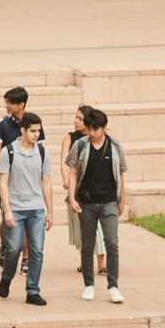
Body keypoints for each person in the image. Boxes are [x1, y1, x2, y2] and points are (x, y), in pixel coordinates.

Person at [66, 108, 127, 304]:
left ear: (104, 127)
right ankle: (89, 284)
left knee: (112, 243)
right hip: (87, 203)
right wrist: (72, 198)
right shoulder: (80, 145)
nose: (91, 133)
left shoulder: (115, 146)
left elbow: (122, 173)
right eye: (89, 129)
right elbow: (73, 172)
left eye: (95, 129)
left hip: (109, 201)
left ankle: (113, 286)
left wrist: (121, 200)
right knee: (87, 244)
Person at [0, 111, 53, 306]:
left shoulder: (43, 152)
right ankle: (6, 277)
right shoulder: (8, 152)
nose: (37, 134)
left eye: (39, 130)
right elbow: (2, 183)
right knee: (14, 249)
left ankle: (32, 291)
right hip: (16, 209)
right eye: (33, 131)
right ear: (23, 130)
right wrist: (8, 210)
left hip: (36, 209)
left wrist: (50, 211)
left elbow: (46, 182)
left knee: (37, 250)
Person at [0, 86, 46, 273]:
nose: (6, 106)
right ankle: (4, 244)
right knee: (8, 217)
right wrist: (4, 174)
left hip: (29, 182)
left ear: (21, 104)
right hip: (7, 182)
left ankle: (26, 258)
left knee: (29, 220)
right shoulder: (2, 124)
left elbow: (39, 152)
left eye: (10, 103)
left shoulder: (35, 125)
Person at [60, 105, 106, 275]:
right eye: (76, 117)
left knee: (99, 228)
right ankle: (85, 261)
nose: (76, 121)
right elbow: (64, 162)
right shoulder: (70, 138)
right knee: (81, 229)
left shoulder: (99, 139)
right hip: (77, 191)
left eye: (80, 118)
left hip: (97, 191)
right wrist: (66, 180)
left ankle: (101, 264)